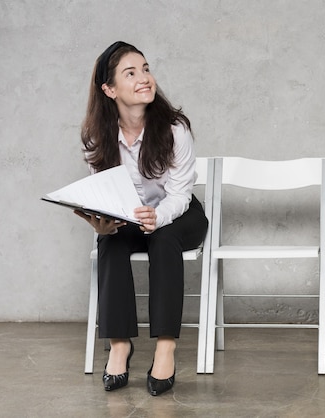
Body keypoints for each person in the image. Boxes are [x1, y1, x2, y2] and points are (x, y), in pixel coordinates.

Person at [76, 41, 208, 396]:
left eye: (146, 69)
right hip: (130, 216)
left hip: (180, 213)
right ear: (109, 89)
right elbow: (103, 191)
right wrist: (99, 220)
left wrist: (157, 217)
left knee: (163, 239)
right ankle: (120, 344)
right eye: (130, 73)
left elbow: (180, 195)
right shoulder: (96, 137)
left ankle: (166, 347)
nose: (144, 79)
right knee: (110, 240)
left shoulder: (175, 128)